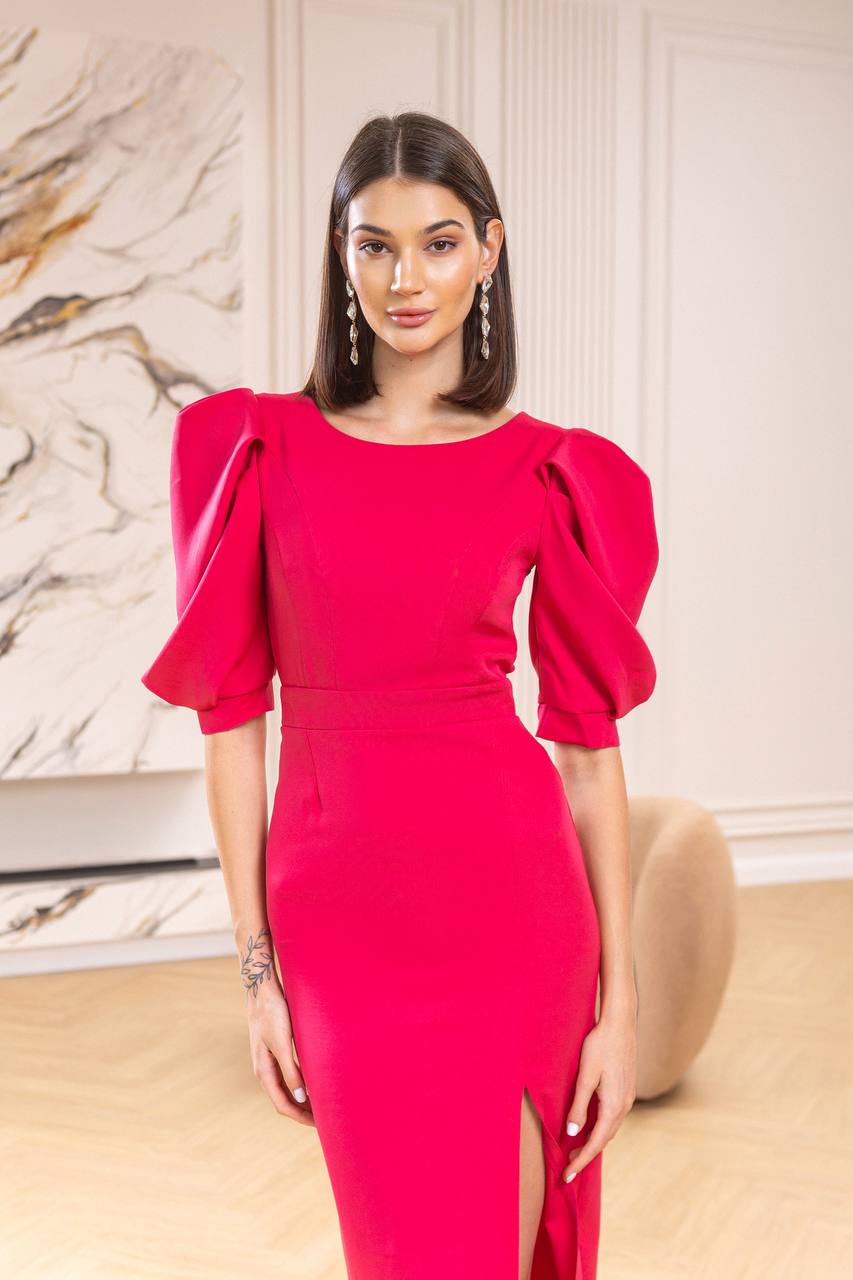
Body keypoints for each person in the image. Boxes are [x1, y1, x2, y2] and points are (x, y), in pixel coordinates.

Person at [140, 109, 659, 1280]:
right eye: (373, 244)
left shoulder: (547, 469)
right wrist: (258, 977)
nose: (403, 278)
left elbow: (586, 752)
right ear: (341, 255)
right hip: (341, 930)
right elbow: (233, 726)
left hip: (515, 916)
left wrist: (619, 1006)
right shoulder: (257, 450)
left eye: (437, 243)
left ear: (488, 251)